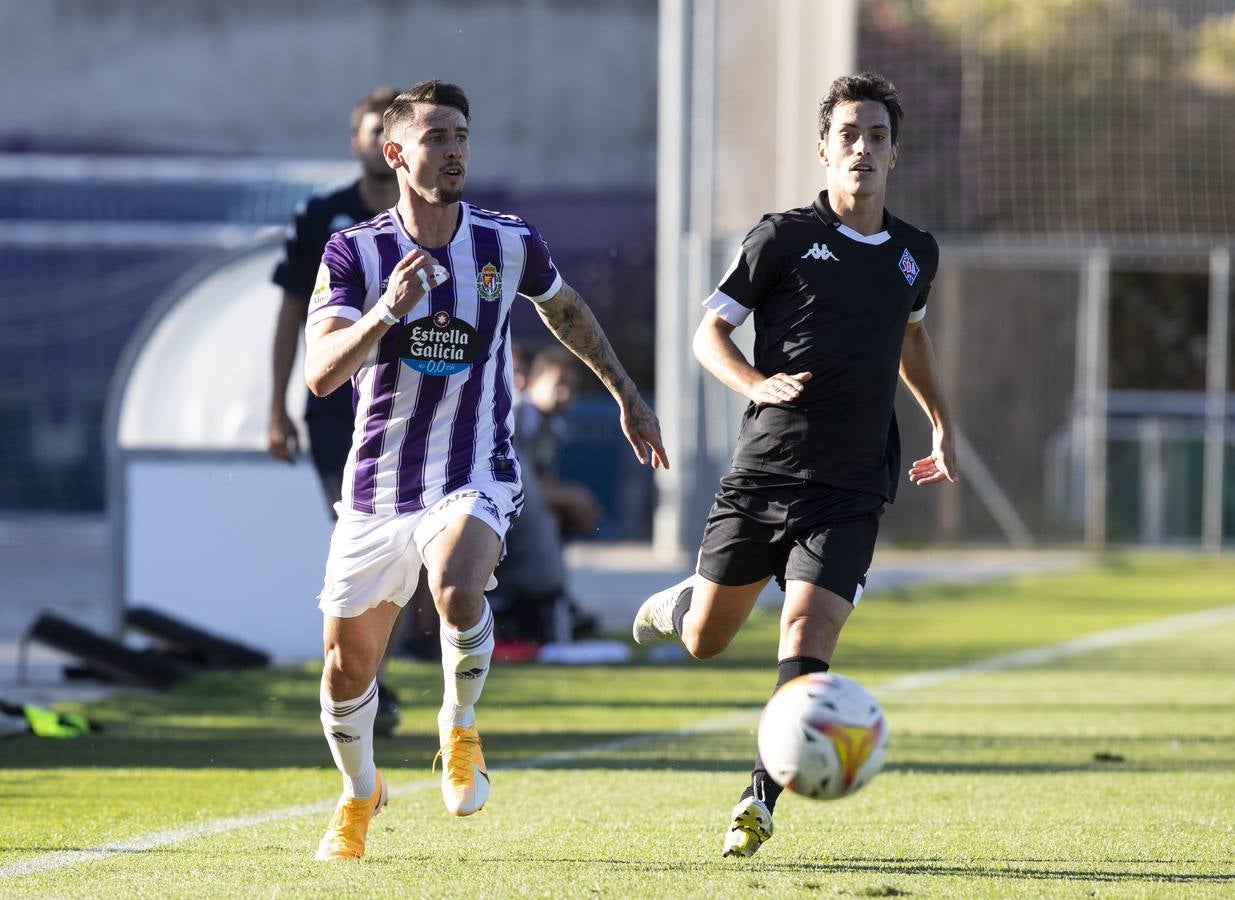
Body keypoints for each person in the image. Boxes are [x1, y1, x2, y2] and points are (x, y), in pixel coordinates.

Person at [303, 79, 668, 861]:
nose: (454, 150)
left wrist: (628, 394)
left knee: (455, 586)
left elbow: (563, 309)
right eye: (436, 137)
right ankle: (360, 791)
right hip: (375, 491)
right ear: (395, 154)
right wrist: (384, 312)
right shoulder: (354, 251)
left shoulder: (507, 239)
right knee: (342, 672)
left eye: (461, 135)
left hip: (474, 467)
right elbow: (321, 374)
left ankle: (458, 727)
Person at [632, 72, 957, 858]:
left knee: (807, 631)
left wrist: (941, 423)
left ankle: (758, 798)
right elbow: (709, 332)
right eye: (848, 135)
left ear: (893, 154)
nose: (862, 149)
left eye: (876, 137)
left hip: (851, 484)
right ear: (823, 149)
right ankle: (684, 604)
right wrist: (754, 381)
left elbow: (907, 335)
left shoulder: (915, 252)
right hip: (766, 470)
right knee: (707, 640)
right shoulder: (780, 237)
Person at [267, 86, 410, 735]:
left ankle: (373, 668)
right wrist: (277, 407)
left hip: (414, 410)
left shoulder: (434, 220)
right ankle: (364, 681)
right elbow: (292, 310)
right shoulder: (324, 217)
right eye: (372, 128)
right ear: (359, 143)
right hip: (335, 410)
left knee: (407, 544)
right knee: (353, 532)